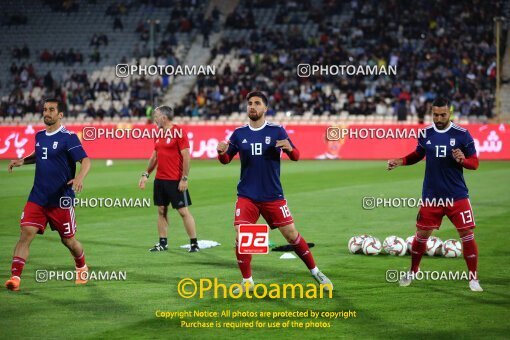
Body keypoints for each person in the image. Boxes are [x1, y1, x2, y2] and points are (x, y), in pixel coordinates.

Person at [217, 91, 333, 292]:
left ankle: (316, 272)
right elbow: (226, 160)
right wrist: (220, 153)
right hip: (247, 196)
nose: (252, 106)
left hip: (273, 196)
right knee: (241, 235)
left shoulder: (277, 131)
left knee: (291, 235)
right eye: (249, 103)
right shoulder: (239, 133)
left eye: (257, 103)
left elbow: (296, 156)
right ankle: (247, 282)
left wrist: (289, 148)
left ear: (265, 108)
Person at [387, 96, 482, 292]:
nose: (439, 118)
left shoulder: (463, 135)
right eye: (435, 114)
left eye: (443, 114)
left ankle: (473, 278)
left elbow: (475, 163)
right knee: (421, 235)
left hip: (457, 196)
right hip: (431, 197)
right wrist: (400, 161)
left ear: (450, 113)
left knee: (467, 235)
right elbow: (417, 155)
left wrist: (463, 160)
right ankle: (413, 271)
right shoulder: (425, 133)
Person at [5, 98, 91, 291]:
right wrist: (23, 161)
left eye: (52, 110)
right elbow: (39, 154)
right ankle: (15, 277)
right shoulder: (39, 136)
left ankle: (81, 266)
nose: (47, 113)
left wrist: (79, 178)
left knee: (68, 240)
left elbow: (85, 161)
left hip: (61, 200)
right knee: (26, 234)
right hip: (38, 198)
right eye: (45, 109)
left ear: (60, 114)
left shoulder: (68, 137)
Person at [138, 106, 199, 252]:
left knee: (183, 211)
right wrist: (146, 174)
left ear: (164, 117)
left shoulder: (179, 132)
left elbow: (186, 156)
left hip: (175, 180)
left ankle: (194, 243)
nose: (155, 119)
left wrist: (184, 178)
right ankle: (163, 243)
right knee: (161, 210)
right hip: (160, 179)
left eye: (156, 116)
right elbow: (154, 156)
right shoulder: (158, 132)